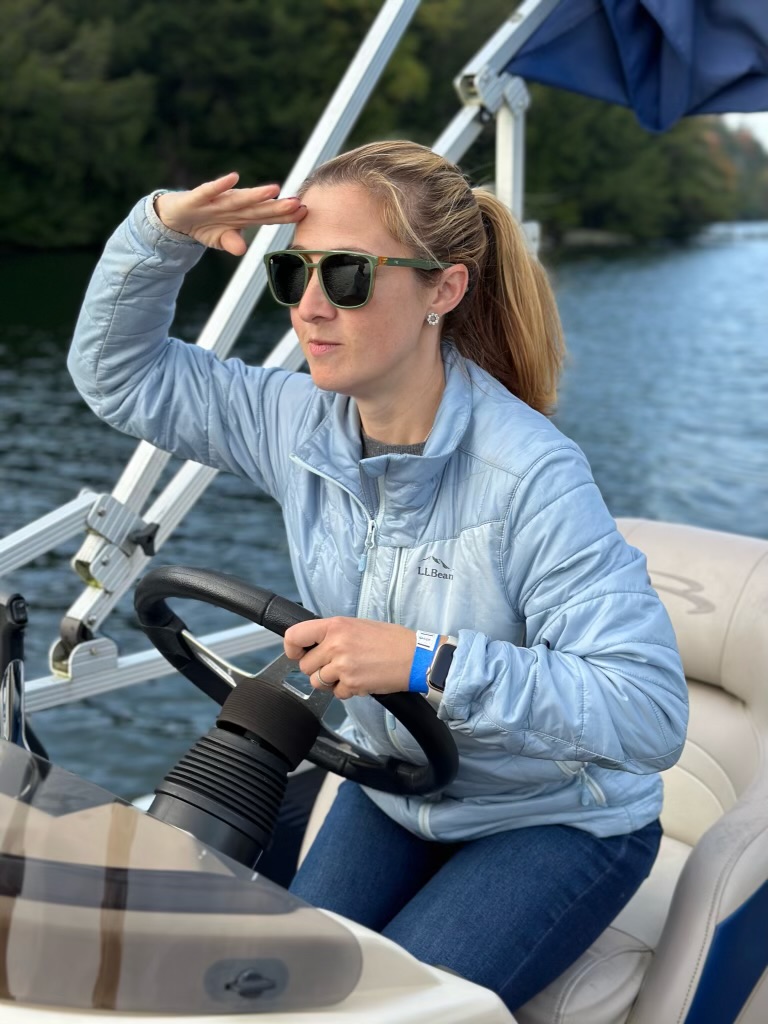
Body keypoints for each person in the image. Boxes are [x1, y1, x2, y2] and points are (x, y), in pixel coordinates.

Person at [68, 140, 688, 1013]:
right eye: (294, 274)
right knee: (267, 992)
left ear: (444, 289)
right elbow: (118, 377)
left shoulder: (534, 477)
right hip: (397, 787)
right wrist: (158, 232)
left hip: (556, 816)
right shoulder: (297, 420)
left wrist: (429, 662)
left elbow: (650, 711)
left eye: (348, 275)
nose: (309, 309)